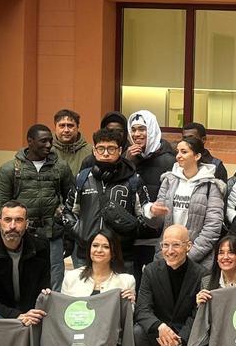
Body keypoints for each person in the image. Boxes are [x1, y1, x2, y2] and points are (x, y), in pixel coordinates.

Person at [0, 123, 73, 290]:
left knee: (54, 280)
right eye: (43, 141)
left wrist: (69, 234)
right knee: (24, 278)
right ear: (30, 141)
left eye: (50, 141)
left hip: (53, 234)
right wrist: (3, 237)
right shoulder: (9, 170)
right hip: (22, 235)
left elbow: (72, 201)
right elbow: (0, 208)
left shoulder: (61, 167)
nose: (49, 145)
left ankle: (52, 314)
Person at [134, 225, 206, 346]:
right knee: (137, 331)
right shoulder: (150, 271)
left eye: (176, 245)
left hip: (185, 335)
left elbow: (198, 314)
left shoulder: (201, 274)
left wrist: (180, 337)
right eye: (165, 245)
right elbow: (142, 308)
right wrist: (159, 326)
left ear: (188, 246)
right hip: (159, 332)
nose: (170, 251)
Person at [63, 128, 143, 268]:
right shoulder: (82, 178)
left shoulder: (133, 180)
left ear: (120, 150)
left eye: (111, 148)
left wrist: (128, 236)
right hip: (86, 254)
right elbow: (68, 211)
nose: (106, 153)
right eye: (101, 148)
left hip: (122, 255)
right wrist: (80, 233)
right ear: (94, 151)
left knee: (122, 290)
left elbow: (143, 216)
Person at [145, 135, 226, 266]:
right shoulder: (168, 180)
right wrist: (152, 212)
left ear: (197, 156)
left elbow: (212, 227)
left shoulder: (212, 185)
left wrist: (188, 257)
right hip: (166, 255)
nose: (178, 156)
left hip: (197, 260)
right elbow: (158, 222)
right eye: (177, 151)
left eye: (184, 152)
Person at [0, 201, 51, 321]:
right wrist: (15, 315)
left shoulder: (41, 246)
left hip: (32, 313)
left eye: (18, 220)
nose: (12, 226)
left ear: (26, 224)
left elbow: (43, 286)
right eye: (7, 220)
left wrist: (32, 314)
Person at [127, 110, 176, 275]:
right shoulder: (127, 158)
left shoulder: (169, 160)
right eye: (133, 130)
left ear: (152, 130)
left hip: (157, 236)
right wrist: (127, 162)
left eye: (142, 129)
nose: (137, 134)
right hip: (131, 235)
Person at [62, 229, 137, 300]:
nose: (99, 250)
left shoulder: (126, 281)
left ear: (114, 252)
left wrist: (131, 304)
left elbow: (128, 312)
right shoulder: (71, 277)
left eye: (106, 247)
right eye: (95, 245)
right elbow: (62, 309)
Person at [53, 108, 92, 176]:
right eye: (62, 126)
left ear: (77, 127)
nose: (66, 130)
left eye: (70, 125)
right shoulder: (46, 150)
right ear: (55, 127)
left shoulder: (90, 151)